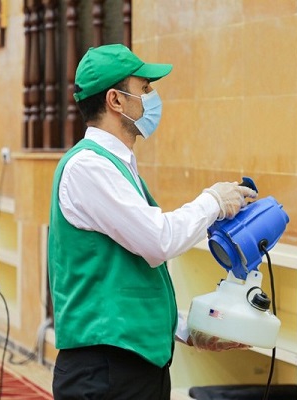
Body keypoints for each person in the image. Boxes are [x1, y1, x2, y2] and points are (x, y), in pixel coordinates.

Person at [47, 44, 258, 400]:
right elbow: (158, 242)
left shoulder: (115, 165)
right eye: (144, 88)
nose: (151, 97)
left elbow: (126, 276)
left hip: (130, 366)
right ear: (115, 100)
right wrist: (213, 202)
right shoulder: (89, 166)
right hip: (106, 371)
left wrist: (186, 329)